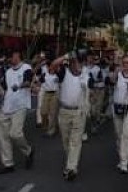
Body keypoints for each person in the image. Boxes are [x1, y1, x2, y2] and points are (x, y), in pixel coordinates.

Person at [49, 52, 91, 181]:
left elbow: (90, 88)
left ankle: (71, 168)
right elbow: (52, 66)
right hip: (64, 111)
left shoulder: (86, 75)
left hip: (78, 112)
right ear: (71, 63)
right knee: (66, 141)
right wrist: (65, 56)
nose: (77, 65)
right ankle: (71, 163)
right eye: (74, 62)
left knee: (75, 141)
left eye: (79, 62)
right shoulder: (64, 73)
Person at [0, 49, 35, 174]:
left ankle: (28, 150)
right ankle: (8, 163)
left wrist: (19, 86)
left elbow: (28, 82)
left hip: (20, 105)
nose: (9, 58)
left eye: (11, 55)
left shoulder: (26, 68)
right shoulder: (7, 72)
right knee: (4, 136)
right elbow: (4, 88)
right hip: (7, 106)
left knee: (15, 134)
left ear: (17, 55)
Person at [38, 56, 60, 137]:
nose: (50, 67)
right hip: (46, 94)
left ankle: (51, 130)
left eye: (52, 65)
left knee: (53, 112)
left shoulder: (58, 74)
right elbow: (38, 82)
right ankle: (47, 125)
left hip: (55, 94)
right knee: (43, 111)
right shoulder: (44, 75)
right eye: (48, 66)